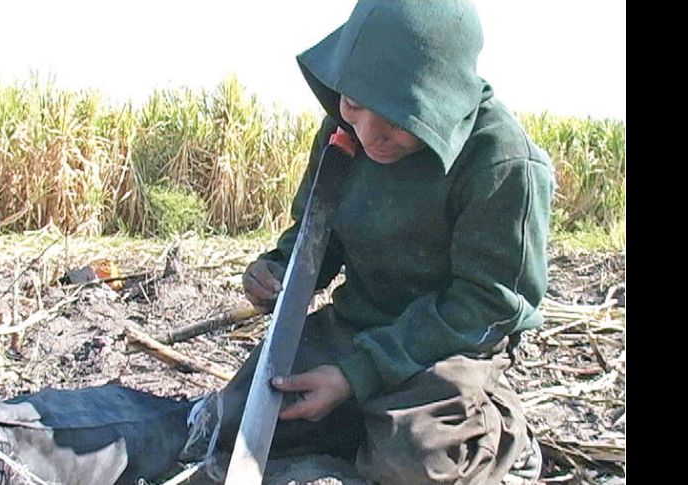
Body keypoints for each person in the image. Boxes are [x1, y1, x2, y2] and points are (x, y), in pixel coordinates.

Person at [181, 1, 555, 484]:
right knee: (237, 422)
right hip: (357, 323)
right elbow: (319, 236)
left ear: (439, 98)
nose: (369, 136)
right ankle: (364, 422)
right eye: (355, 106)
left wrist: (357, 376)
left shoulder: (503, 164)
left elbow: (487, 305)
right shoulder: (346, 131)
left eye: (398, 120)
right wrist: (281, 269)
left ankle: (502, 436)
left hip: (448, 344)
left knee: (410, 460)